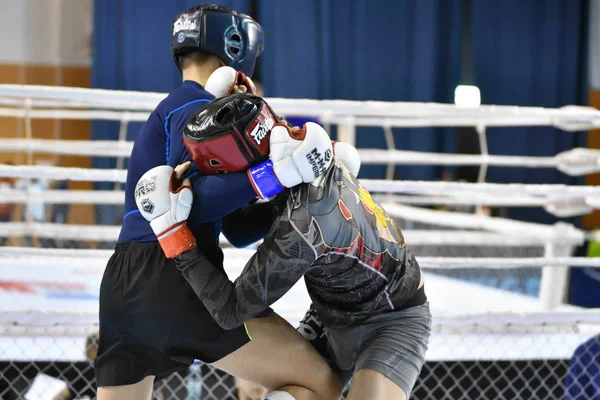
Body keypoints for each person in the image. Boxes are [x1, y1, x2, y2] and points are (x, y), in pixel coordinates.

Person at [95, 5, 340, 400]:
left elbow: (238, 229)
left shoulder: (175, 106)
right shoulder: (195, 105)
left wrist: (295, 192)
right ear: (236, 47)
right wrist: (274, 175)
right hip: (175, 275)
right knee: (320, 383)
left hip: (123, 284)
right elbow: (188, 204)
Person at [135, 93, 431, 400]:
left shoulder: (302, 227)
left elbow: (230, 310)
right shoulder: (298, 154)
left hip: (393, 321)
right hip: (331, 314)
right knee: (292, 393)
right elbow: (240, 231)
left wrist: (173, 234)